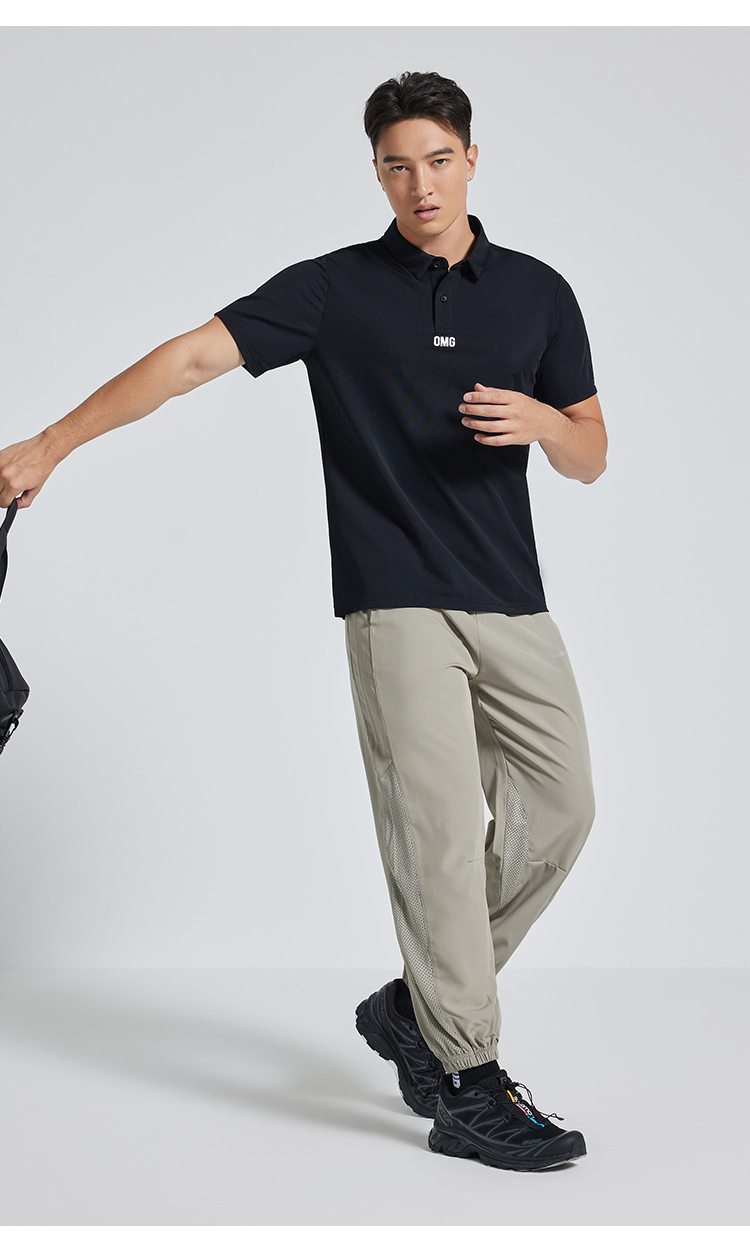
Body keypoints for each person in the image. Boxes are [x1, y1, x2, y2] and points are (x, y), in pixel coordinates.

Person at [0, 71, 606, 1173]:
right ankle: (467, 1079)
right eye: (396, 166)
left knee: (562, 814)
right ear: (376, 172)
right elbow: (190, 358)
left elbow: (592, 452)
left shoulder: (538, 293)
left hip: (512, 596)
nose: (420, 185)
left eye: (437, 160)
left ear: (472, 160)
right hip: (396, 600)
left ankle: (414, 1006)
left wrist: (542, 424)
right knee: (437, 839)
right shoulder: (335, 290)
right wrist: (51, 444)